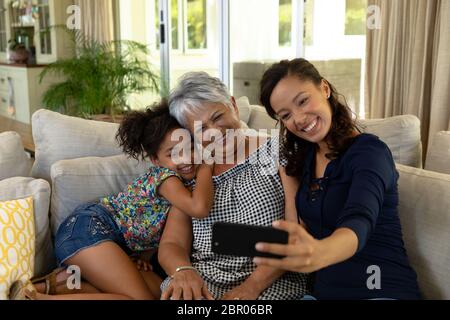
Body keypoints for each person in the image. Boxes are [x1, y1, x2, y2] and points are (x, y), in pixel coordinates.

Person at [254, 58, 422, 300]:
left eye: (303, 101)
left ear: (324, 88)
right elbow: (296, 230)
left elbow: (360, 220)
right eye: (286, 115)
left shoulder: (370, 153)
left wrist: (320, 251)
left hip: (381, 290)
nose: (299, 118)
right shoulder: (305, 157)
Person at [24, 101, 215, 300]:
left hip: (106, 241)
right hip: (88, 229)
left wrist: (139, 257)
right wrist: (206, 166)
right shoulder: (166, 178)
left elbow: (149, 226)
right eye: (174, 153)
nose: (187, 158)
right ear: (156, 160)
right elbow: (198, 207)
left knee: (156, 290)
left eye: (190, 148)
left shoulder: (181, 186)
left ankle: (60, 285)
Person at [158, 72, 309, 300]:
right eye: (201, 129)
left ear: (232, 105)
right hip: (204, 280)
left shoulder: (279, 151)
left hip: (271, 281)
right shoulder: (193, 171)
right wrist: (183, 271)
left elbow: (297, 232)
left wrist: (251, 287)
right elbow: (173, 243)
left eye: (218, 116)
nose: (215, 132)